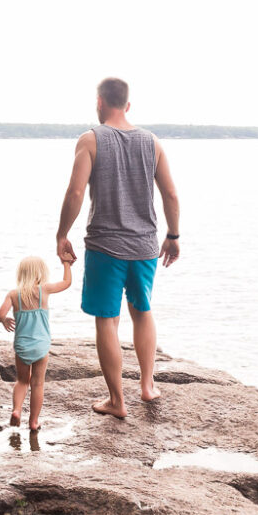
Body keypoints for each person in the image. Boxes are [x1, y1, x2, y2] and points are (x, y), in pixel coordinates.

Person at [56, 77, 180, 419]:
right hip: (144, 247)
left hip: (105, 247)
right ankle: (147, 385)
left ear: (99, 102)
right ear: (127, 105)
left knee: (107, 321)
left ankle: (117, 401)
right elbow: (170, 194)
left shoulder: (91, 140)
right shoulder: (152, 142)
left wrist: (61, 234)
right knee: (142, 310)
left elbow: (75, 193)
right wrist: (174, 235)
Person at [0, 255, 73, 430]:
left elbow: (0, 314)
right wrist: (67, 264)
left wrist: (5, 321)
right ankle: (33, 422)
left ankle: (16, 410)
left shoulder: (14, 294)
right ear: (40, 273)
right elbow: (66, 282)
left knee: (22, 381)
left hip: (22, 346)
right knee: (38, 384)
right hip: (41, 346)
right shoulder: (43, 290)